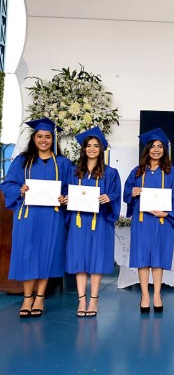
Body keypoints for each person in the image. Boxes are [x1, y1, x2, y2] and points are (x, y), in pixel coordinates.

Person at [0, 118, 71, 318]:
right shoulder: (23, 160)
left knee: (46, 254)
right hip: (28, 215)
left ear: (53, 139)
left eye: (48, 137)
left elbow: (70, 188)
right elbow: (8, 184)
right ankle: (27, 297)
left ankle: (40, 297)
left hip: (52, 216)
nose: (44, 140)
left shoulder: (63, 163)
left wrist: (64, 197)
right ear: (34, 138)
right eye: (40, 136)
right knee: (27, 254)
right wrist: (20, 189)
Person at [124, 128, 174, 313]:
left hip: (162, 221)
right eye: (153, 146)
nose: (156, 150)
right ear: (147, 149)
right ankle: (145, 295)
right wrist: (132, 193)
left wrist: (168, 214)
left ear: (164, 150)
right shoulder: (137, 171)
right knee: (142, 259)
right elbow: (127, 193)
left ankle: (157, 294)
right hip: (142, 221)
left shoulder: (172, 172)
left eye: (160, 146)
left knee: (158, 259)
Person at [65, 127, 121, 317]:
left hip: (100, 222)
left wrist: (109, 197)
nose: (92, 149)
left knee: (97, 260)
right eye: (88, 145)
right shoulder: (74, 171)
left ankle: (94, 300)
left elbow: (115, 194)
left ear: (102, 149)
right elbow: (66, 192)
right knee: (79, 259)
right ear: (83, 148)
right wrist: (64, 199)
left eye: (96, 146)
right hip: (79, 221)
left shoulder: (111, 173)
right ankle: (81, 301)